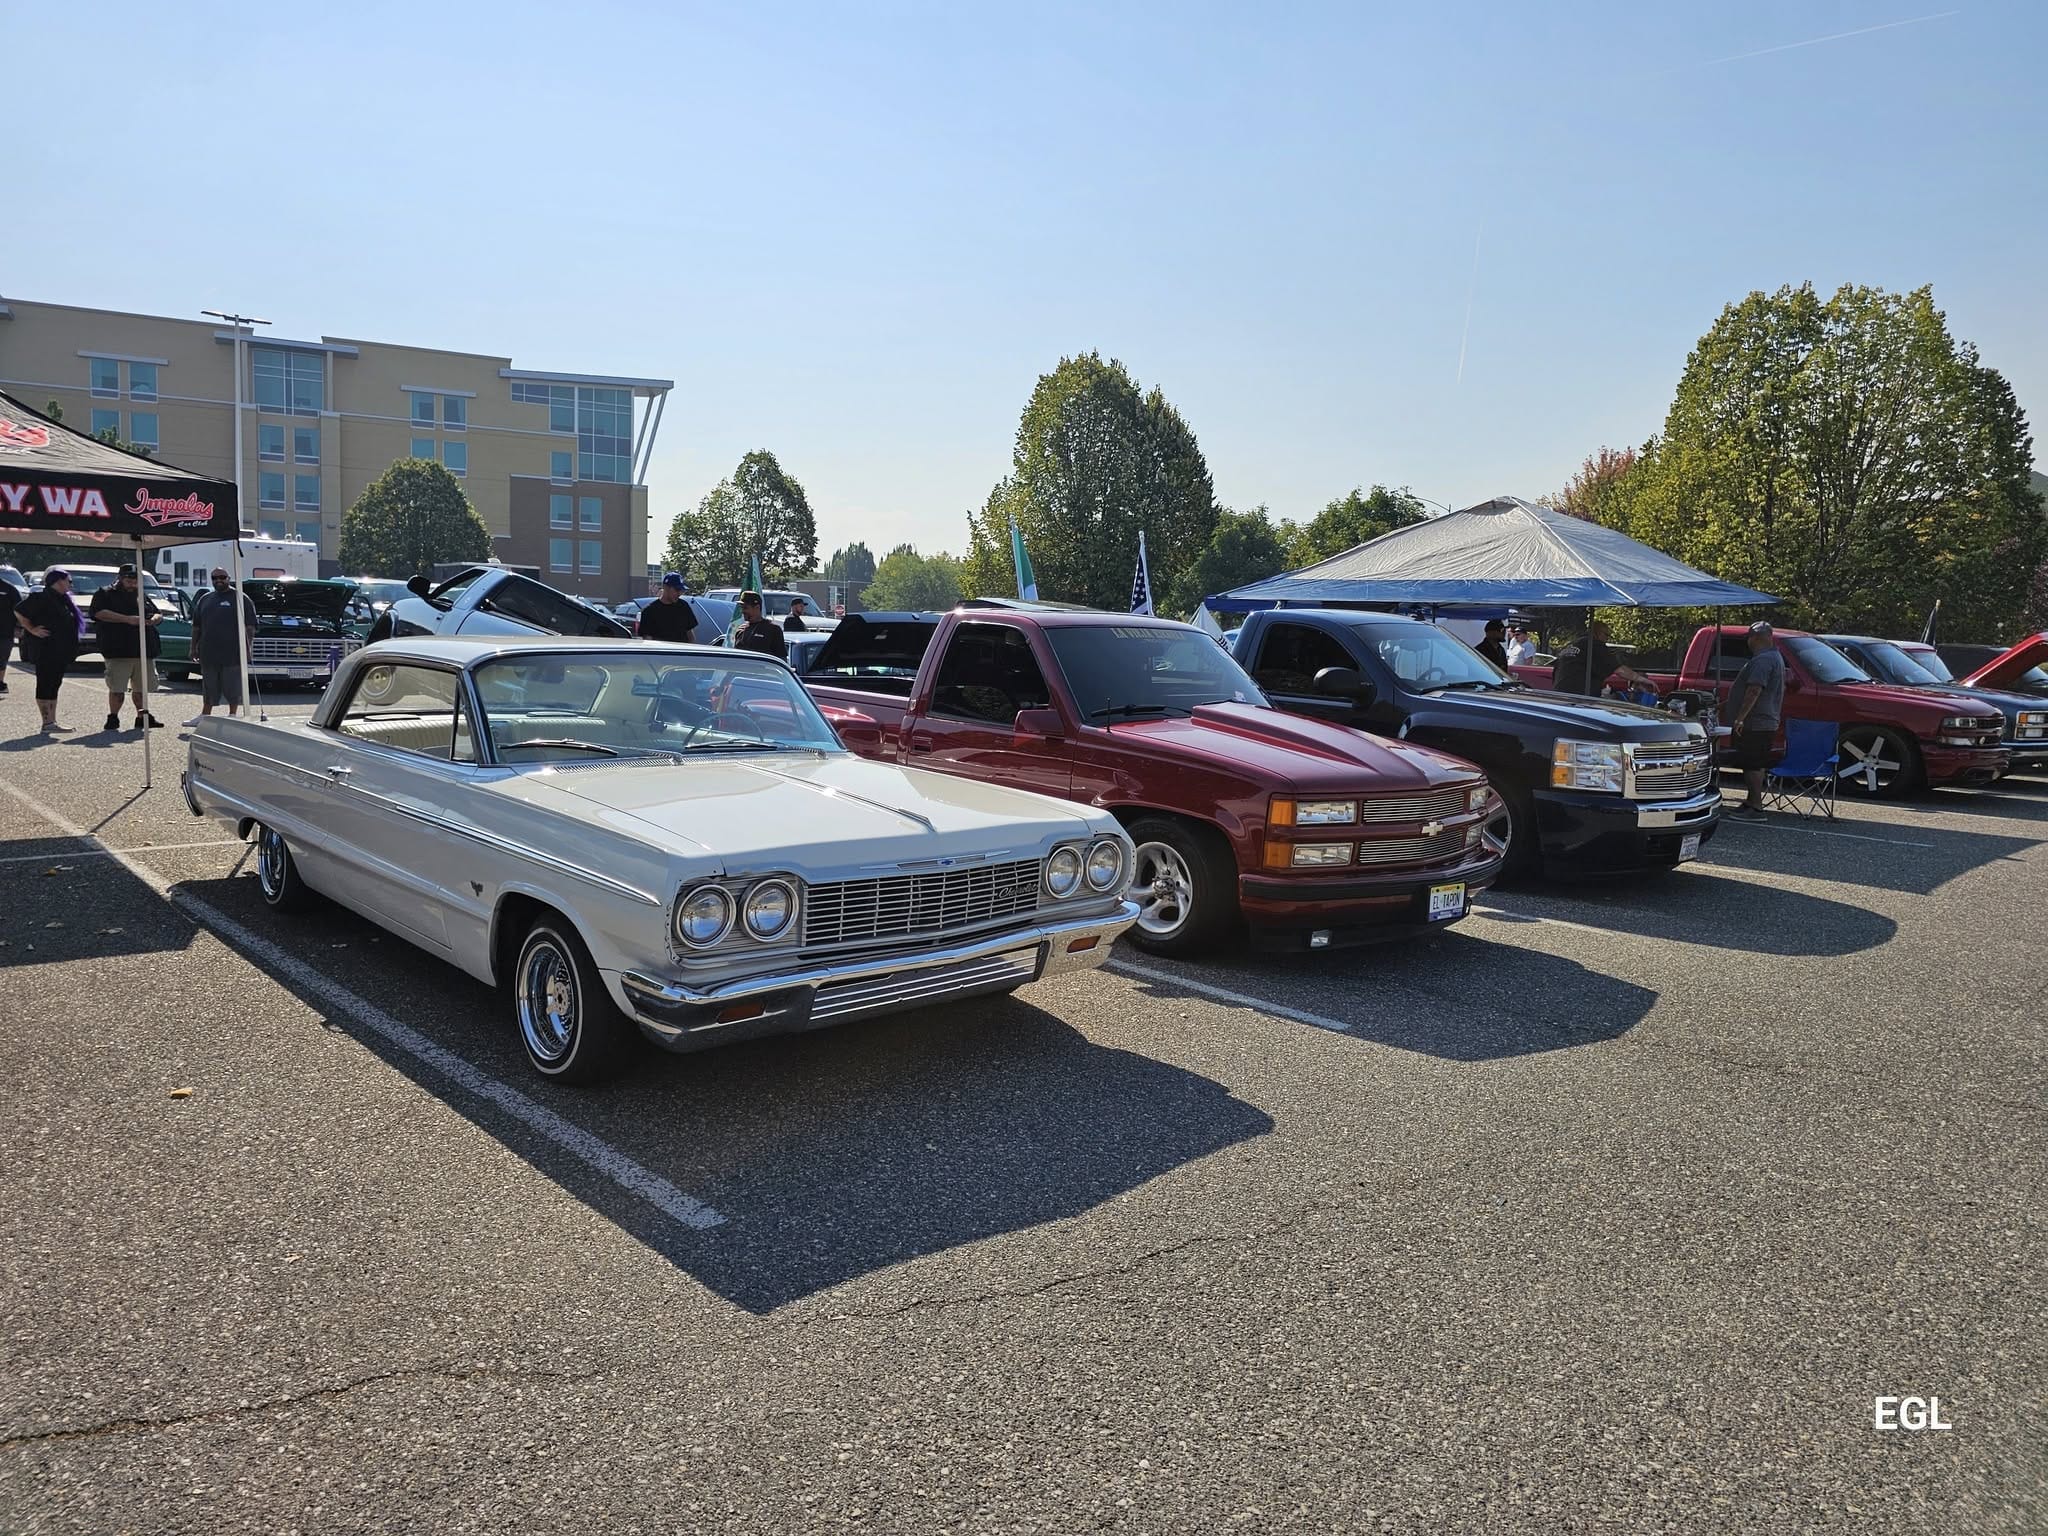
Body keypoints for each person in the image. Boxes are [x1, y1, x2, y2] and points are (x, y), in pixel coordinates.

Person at [89, 564, 165, 731]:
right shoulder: (105, 593)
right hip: (118, 649)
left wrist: (154, 619)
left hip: (144, 649)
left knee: (142, 687)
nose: (132, 583)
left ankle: (142, 716)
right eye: (129, 580)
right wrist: (127, 619)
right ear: (120, 578)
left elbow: (157, 612)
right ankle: (113, 717)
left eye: (135, 580)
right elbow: (97, 613)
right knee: (117, 687)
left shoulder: (141, 594)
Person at [1722, 621, 1785, 823]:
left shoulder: (1763, 660)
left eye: (1749, 637)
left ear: (1756, 637)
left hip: (1756, 721)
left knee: (1752, 764)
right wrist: (1723, 705)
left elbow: (1754, 690)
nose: (1748, 642)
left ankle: (1756, 808)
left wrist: (1740, 718)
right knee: (1752, 762)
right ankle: (1750, 801)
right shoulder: (1773, 657)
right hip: (1764, 720)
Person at [15, 569, 83, 734]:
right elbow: (19, 611)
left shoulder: (63, 599)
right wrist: (31, 629)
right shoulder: (40, 597)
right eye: (69, 581)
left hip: (61, 650)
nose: (70, 584)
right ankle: (47, 722)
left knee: (54, 684)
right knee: (45, 684)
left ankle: (52, 720)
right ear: (58, 581)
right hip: (46, 649)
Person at [188, 566, 257, 724]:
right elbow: (196, 626)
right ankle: (205, 715)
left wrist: (248, 648)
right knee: (209, 684)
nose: (218, 580)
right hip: (208, 650)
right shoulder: (205, 598)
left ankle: (232, 715)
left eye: (222, 577)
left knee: (232, 684)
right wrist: (193, 647)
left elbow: (250, 626)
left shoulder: (240, 598)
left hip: (233, 651)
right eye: (214, 578)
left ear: (228, 578)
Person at [1552, 617, 1648, 697]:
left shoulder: (1572, 644)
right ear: (1597, 633)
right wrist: (1641, 679)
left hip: (1559, 693)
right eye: (1606, 635)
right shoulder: (1596, 645)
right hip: (1578, 696)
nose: (1607, 639)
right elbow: (1619, 670)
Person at [636, 572, 699, 644]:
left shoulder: (684, 606)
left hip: (682, 653)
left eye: (682, 590)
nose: (679, 593)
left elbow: (690, 635)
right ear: (665, 587)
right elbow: (648, 641)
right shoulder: (649, 611)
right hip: (662, 653)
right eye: (677, 590)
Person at [732, 590, 787, 659]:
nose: (742, 611)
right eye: (742, 608)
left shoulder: (773, 630)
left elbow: (781, 659)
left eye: (745, 608)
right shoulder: (740, 630)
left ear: (757, 607)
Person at [0, 573, 17, 693]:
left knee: (2, 659)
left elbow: (20, 609)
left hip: (5, 632)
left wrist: (19, 627)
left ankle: (0, 683)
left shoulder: (9, 589)